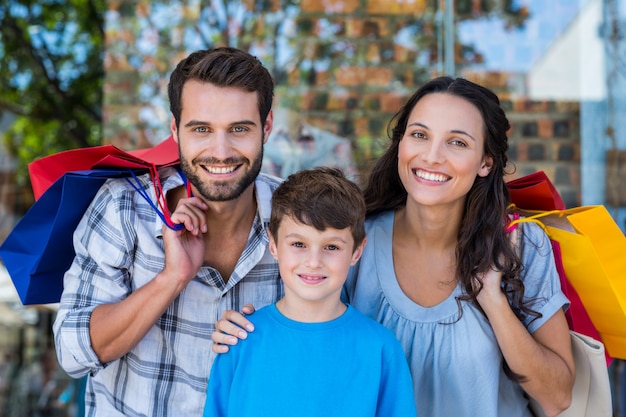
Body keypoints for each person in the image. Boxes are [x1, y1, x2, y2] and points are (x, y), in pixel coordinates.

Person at [211, 76, 575, 417]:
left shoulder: (520, 244)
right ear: (400, 143)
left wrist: (493, 301)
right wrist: (244, 332)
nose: (432, 156)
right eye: (419, 135)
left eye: (458, 142)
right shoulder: (352, 240)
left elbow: (557, 397)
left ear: (485, 162)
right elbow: (302, 332)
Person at [53, 47, 284, 416]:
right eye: (201, 129)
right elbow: (73, 353)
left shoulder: (297, 219)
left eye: (239, 129)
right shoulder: (123, 208)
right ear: (176, 130)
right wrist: (170, 278)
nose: (220, 151)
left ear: (267, 127)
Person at [203, 167, 417, 417]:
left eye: (331, 247)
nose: (314, 261)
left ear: (357, 252)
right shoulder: (239, 340)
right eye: (298, 244)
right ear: (273, 245)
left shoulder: (381, 349)